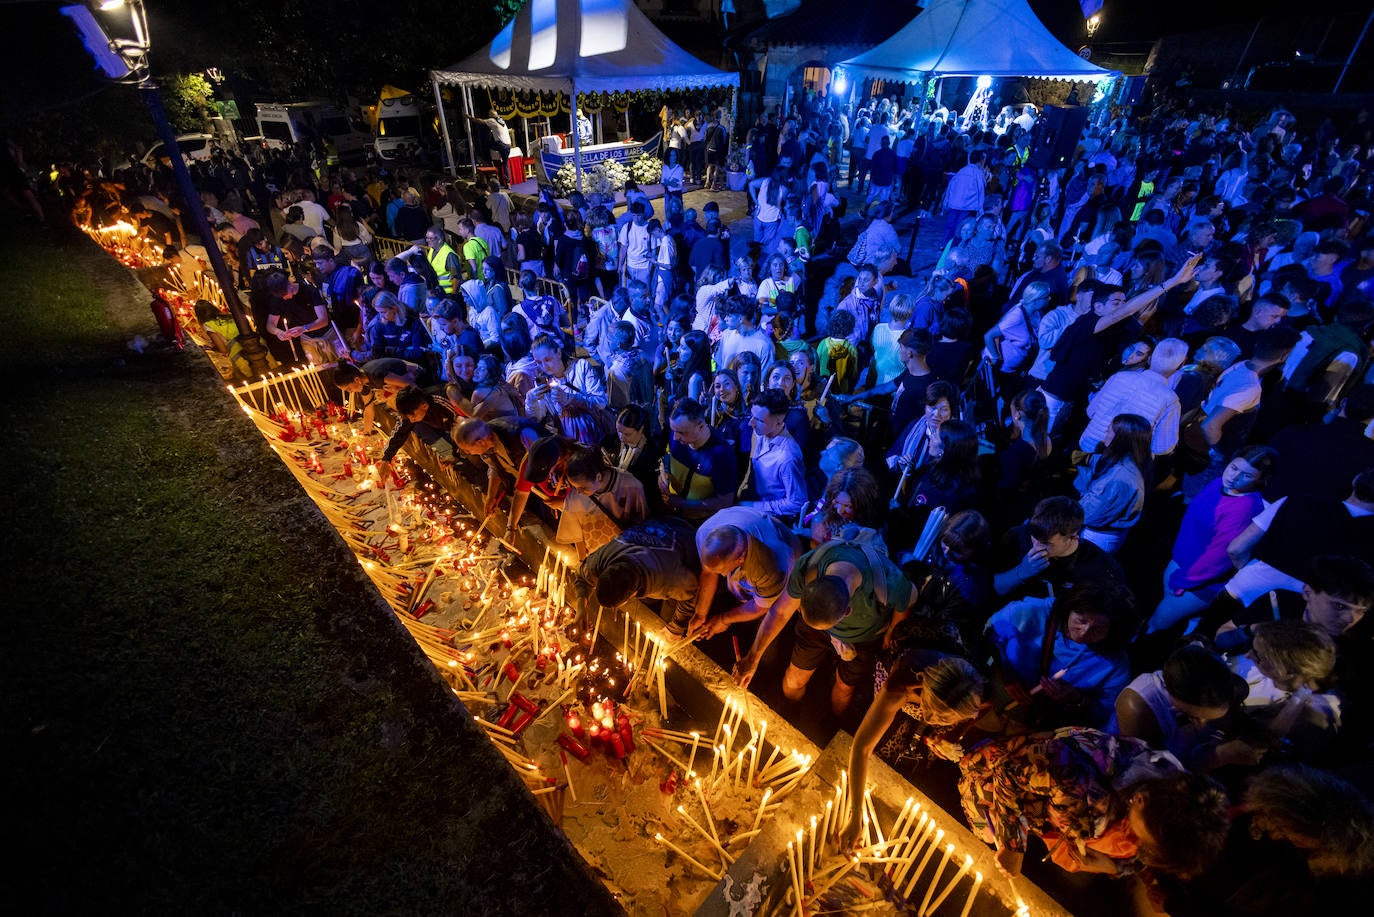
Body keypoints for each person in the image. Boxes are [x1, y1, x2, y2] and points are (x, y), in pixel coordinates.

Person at [958, 729, 1230, 881]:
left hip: (1044, 809)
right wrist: (1013, 845)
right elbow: (1008, 773)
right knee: (987, 837)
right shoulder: (1083, 790)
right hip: (994, 781)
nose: (1135, 842)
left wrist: (1112, 867)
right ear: (1140, 799)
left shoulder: (1168, 791)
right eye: (1141, 835)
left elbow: (1141, 859)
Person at [733, 532, 918, 717]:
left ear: (847, 612)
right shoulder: (810, 566)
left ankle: (833, 723)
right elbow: (781, 612)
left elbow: (909, 598)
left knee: (844, 689)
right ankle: (790, 714)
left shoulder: (886, 580)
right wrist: (752, 659)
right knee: (793, 679)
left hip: (862, 637)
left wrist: (892, 630)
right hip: (816, 627)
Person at [1148, 446, 1277, 635]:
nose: (1234, 477)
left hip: (1197, 581)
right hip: (1181, 566)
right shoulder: (1218, 483)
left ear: (1261, 480)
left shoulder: (1245, 507)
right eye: (1233, 468)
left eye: (1246, 476)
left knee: (1158, 622)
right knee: (1178, 620)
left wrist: (1185, 580)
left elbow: (1219, 556)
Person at [986, 581, 1135, 728]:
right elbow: (985, 635)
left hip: (1049, 728)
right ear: (1069, 608)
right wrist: (1003, 669)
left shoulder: (1115, 663)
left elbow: (1106, 715)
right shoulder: (1031, 611)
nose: (1083, 632)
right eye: (1081, 620)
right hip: (993, 698)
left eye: (1097, 629)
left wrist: (1077, 698)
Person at [689, 504, 803, 641]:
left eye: (723, 571)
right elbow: (708, 572)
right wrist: (700, 614)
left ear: (740, 559)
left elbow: (759, 607)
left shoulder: (770, 568)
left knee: (764, 631)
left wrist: (723, 619)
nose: (723, 575)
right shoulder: (705, 533)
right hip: (754, 541)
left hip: (788, 567)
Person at [581, 517, 701, 634]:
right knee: (649, 602)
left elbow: (694, 591)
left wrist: (676, 627)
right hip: (660, 522)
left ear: (631, 595)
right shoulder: (599, 561)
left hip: (690, 536)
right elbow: (583, 576)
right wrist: (581, 610)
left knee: (666, 616)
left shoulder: (669, 579)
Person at [1074, 414, 1153, 554]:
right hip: (1115, 533)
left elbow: (1086, 513)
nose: (1105, 432)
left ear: (1121, 438)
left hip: (1095, 537)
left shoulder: (1117, 477)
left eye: (1110, 430)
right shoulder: (1141, 460)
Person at [557, 444, 647, 560]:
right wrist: (583, 563)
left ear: (598, 477)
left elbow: (642, 527)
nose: (578, 492)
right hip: (596, 560)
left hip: (625, 558)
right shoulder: (575, 496)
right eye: (574, 487)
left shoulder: (630, 486)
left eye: (583, 488)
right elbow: (578, 537)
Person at [661, 397, 739, 521]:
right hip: (671, 511)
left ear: (701, 426)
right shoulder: (676, 434)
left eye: (682, 432)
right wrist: (664, 473)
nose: (675, 437)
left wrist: (682, 503)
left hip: (701, 522)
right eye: (673, 430)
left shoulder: (721, 455)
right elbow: (667, 454)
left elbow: (725, 501)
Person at [737, 389, 807, 517]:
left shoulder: (787, 457)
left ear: (779, 422)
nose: (750, 423)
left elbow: (797, 502)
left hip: (770, 517)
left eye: (758, 420)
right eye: (752, 415)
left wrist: (754, 506)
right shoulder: (759, 432)